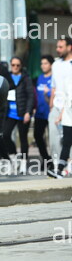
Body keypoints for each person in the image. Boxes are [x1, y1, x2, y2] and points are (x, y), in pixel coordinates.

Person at [2, 57, 34, 174]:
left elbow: (30, 96)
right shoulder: (6, 77)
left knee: (23, 138)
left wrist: (28, 112)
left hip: (22, 113)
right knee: (5, 135)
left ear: (21, 66)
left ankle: (24, 162)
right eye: (13, 65)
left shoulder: (26, 78)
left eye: (17, 65)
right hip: (10, 113)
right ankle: (14, 157)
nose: (15, 67)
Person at [48, 38, 72, 178]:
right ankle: (58, 167)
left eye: (61, 47)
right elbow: (54, 86)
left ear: (69, 47)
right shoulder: (56, 64)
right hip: (56, 107)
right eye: (57, 46)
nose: (58, 49)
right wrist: (51, 105)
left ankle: (67, 167)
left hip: (69, 107)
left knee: (68, 139)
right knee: (54, 139)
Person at [34, 55, 55, 170]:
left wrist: (49, 93)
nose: (43, 66)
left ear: (51, 65)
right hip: (40, 113)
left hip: (51, 113)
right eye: (42, 63)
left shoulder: (54, 78)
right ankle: (46, 158)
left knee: (52, 139)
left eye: (45, 63)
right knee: (37, 136)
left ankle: (55, 161)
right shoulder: (40, 78)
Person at [54, 68, 72, 178]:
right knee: (66, 144)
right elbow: (66, 101)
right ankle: (59, 170)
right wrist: (60, 116)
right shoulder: (68, 81)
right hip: (68, 119)